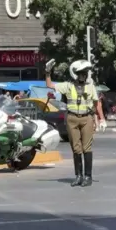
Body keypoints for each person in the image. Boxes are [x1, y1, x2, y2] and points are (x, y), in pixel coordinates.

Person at [46, 59, 106, 187]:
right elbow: (50, 85)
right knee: (76, 148)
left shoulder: (90, 87)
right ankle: (78, 176)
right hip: (72, 118)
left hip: (86, 119)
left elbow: (97, 103)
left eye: (85, 73)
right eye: (81, 73)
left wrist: (101, 119)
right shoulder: (68, 86)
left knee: (86, 148)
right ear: (75, 74)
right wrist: (47, 72)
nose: (84, 75)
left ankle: (88, 176)